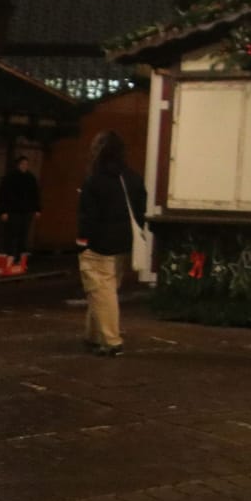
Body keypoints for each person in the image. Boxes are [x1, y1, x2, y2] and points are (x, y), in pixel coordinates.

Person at [76, 132, 146, 356]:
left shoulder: (94, 181)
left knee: (101, 290)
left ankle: (111, 340)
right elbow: (141, 210)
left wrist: (82, 243)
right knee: (105, 289)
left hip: (99, 244)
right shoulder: (132, 178)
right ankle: (93, 334)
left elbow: (88, 217)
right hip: (124, 242)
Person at [0, 155, 41, 266]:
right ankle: (9, 257)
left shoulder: (30, 178)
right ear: (18, 165)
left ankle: (20, 259)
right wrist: (3, 211)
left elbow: (35, 194)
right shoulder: (10, 177)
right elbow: (3, 194)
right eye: (22, 164)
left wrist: (37, 209)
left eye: (26, 164)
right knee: (11, 234)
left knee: (23, 235)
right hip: (13, 211)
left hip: (26, 211)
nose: (25, 166)